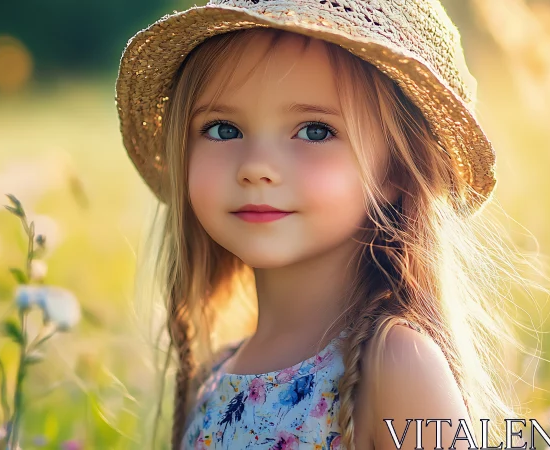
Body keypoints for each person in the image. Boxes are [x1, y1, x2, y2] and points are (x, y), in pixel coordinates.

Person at [115, 0, 527, 448]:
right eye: (222, 129)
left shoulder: (394, 365)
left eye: (314, 131)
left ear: (397, 172)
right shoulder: (214, 377)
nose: (256, 167)